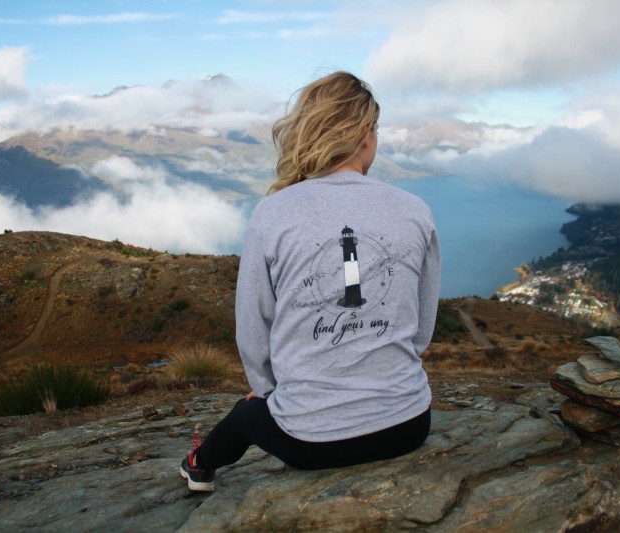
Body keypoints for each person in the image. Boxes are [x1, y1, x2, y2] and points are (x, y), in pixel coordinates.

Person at [180, 71, 441, 492]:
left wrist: (268, 392)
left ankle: (198, 465)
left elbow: (253, 327)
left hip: (308, 442)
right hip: (408, 425)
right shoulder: (415, 210)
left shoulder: (272, 213)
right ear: (365, 132)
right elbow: (421, 325)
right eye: (376, 130)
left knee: (246, 414)